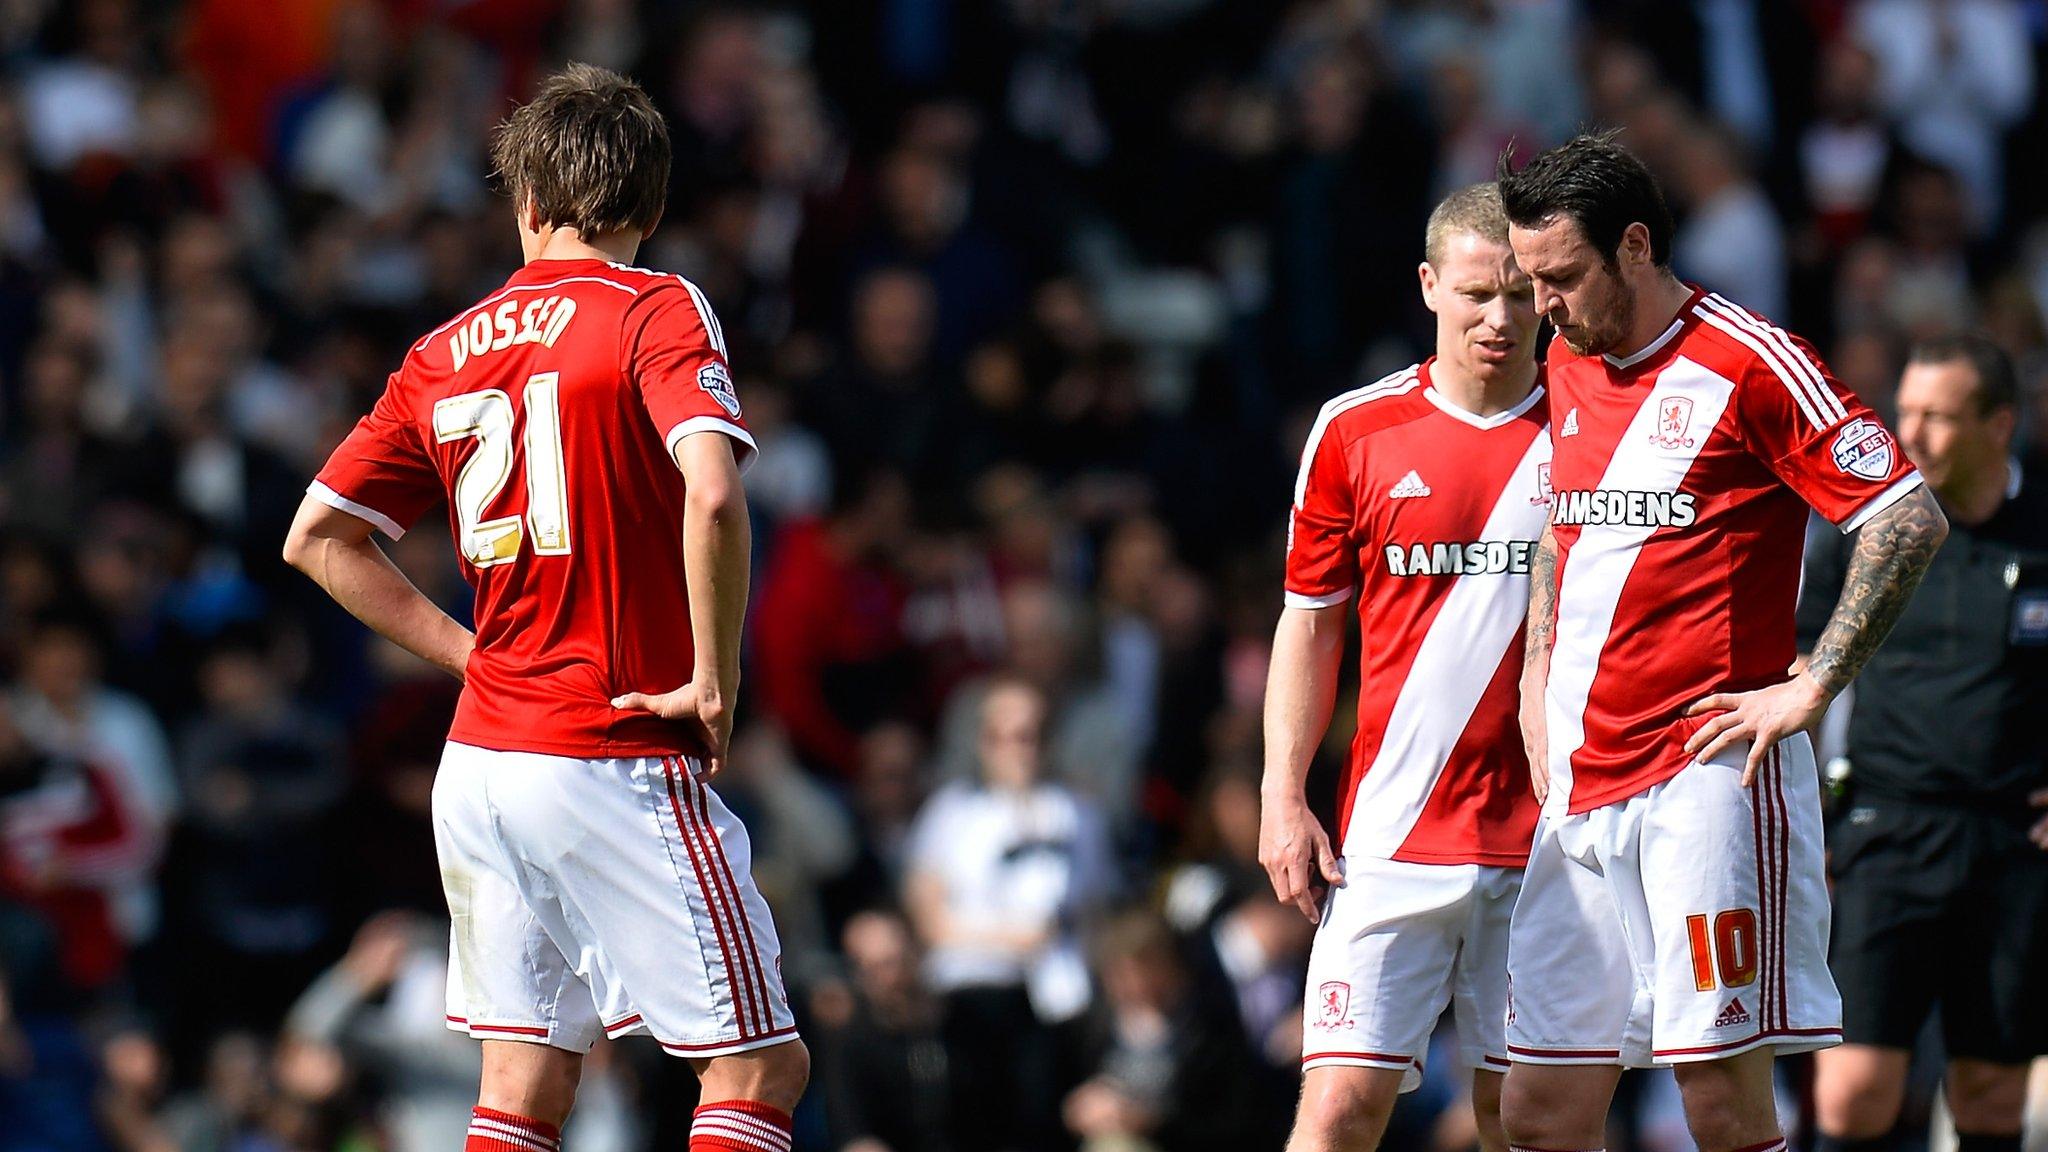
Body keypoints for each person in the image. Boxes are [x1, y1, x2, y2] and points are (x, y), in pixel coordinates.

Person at [281, 63, 808, 1152]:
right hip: (606, 743)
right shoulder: (655, 304)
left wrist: (468, 654)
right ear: (650, 211)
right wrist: (717, 675)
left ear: (524, 202)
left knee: (520, 1086)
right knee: (758, 1064)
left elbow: (317, 539)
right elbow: (711, 491)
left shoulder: (439, 351)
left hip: (480, 764)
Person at [1496, 133, 1948, 1152]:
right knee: (1536, 1112)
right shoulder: (1565, 357)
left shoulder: (1746, 361)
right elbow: (1564, 528)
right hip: (1576, 780)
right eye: (1529, 283)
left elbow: (1904, 517)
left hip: (1699, 781)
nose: (1541, 309)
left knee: (1716, 1101)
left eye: (1559, 278)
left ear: (1636, 246)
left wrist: (1812, 684)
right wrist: (1533, 674)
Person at [1261, 182, 1549, 1152]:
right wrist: (1281, 792)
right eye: (1475, 293)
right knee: (1338, 1111)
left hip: (1547, 841)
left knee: (1525, 1121)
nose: (1498, 318)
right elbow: (1308, 628)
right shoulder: (1354, 431)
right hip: (1387, 837)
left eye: (1519, 293)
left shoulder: (1599, 430)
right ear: (1429, 286)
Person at [1802, 334, 2048, 1152]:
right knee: (1852, 1094)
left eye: (1940, 417)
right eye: (1905, 412)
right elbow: (1799, 659)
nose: (1914, 436)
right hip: (1886, 829)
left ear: (1999, 423)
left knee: (1988, 1096)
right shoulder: (1872, 529)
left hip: (2013, 842)